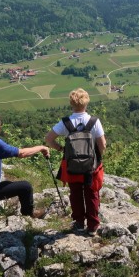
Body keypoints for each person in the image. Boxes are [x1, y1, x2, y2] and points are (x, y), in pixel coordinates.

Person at [45, 88, 106, 236]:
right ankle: (92, 226)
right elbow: (102, 145)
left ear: (71, 103)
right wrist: (96, 157)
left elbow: (48, 139)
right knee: (92, 194)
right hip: (91, 166)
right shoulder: (93, 121)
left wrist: (61, 149)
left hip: (72, 165)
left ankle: (79, 223)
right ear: (86, 102)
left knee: (76, 193)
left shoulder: (65, 122)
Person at [0, 113, 50, 217]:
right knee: (26, 187)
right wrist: (42, 148)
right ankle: (29, 214)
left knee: (6, 184)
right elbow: (21, 153)